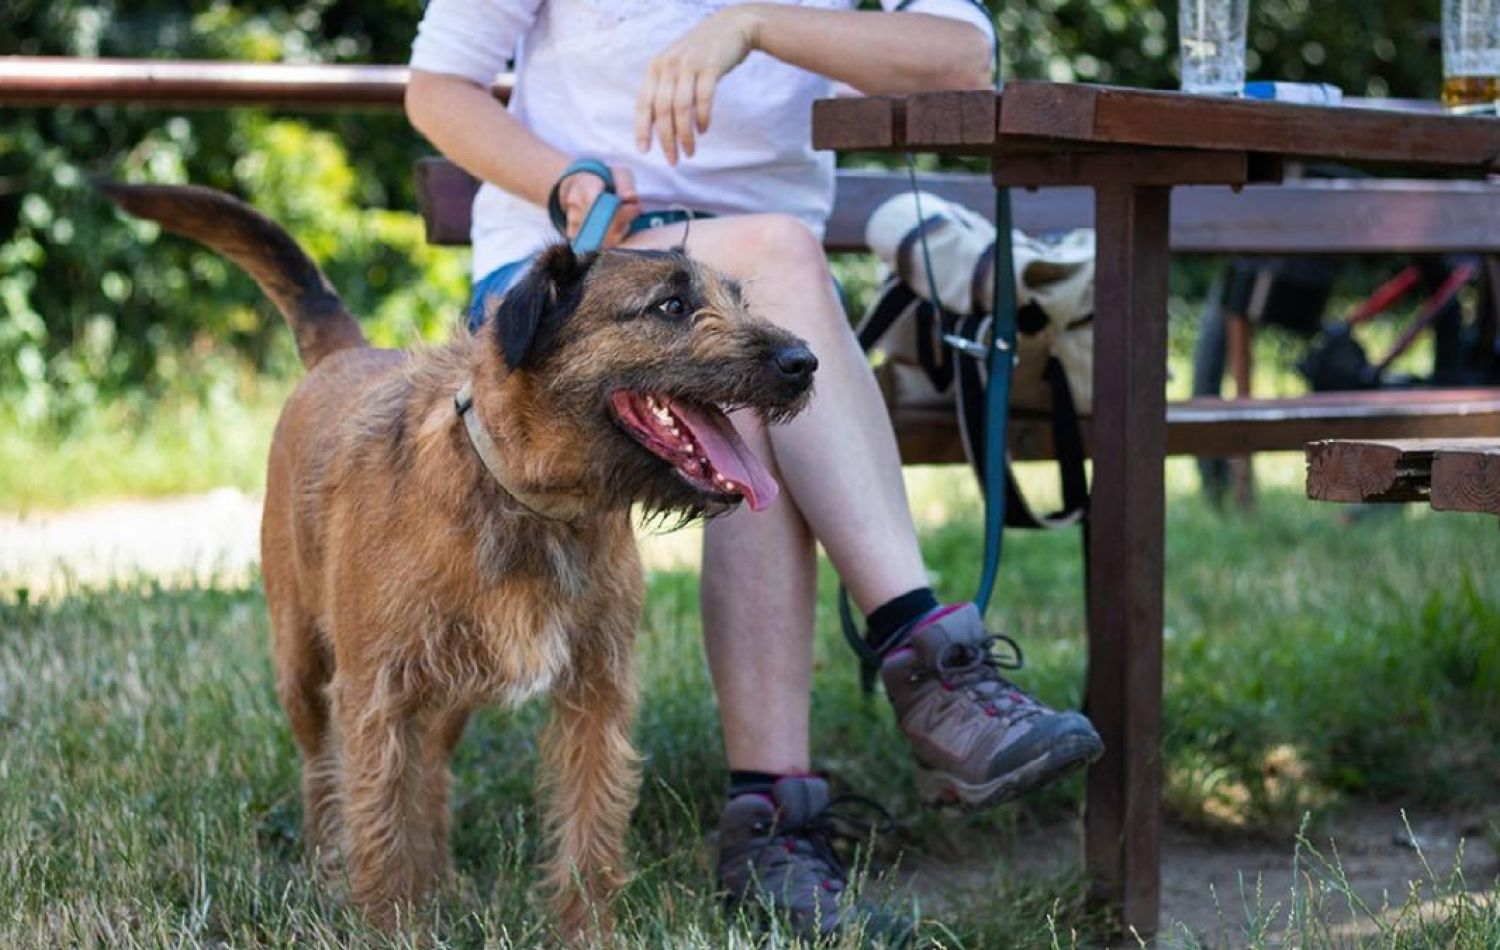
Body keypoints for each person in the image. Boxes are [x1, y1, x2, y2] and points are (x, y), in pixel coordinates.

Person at [405, 1, 1103, 939]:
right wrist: (563, 178)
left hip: (761, 297)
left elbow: (961, 53)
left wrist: (756, 25)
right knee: (777, 263)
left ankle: (771, 823)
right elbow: (437, 87)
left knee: (761, 356)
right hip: (580, 286)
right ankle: (927, 658)